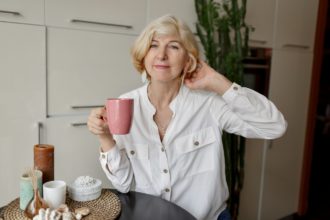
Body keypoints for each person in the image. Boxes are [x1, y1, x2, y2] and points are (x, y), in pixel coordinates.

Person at [87, 15, 287, 220]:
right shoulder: (125, 104)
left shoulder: (209, 104)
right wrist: (105, 138)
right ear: (143, 55)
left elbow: (274, 126)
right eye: (153, 45)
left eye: (173, 47)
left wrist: (217, 81)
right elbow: (122, 184)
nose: (162, 55)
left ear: (188, 59)